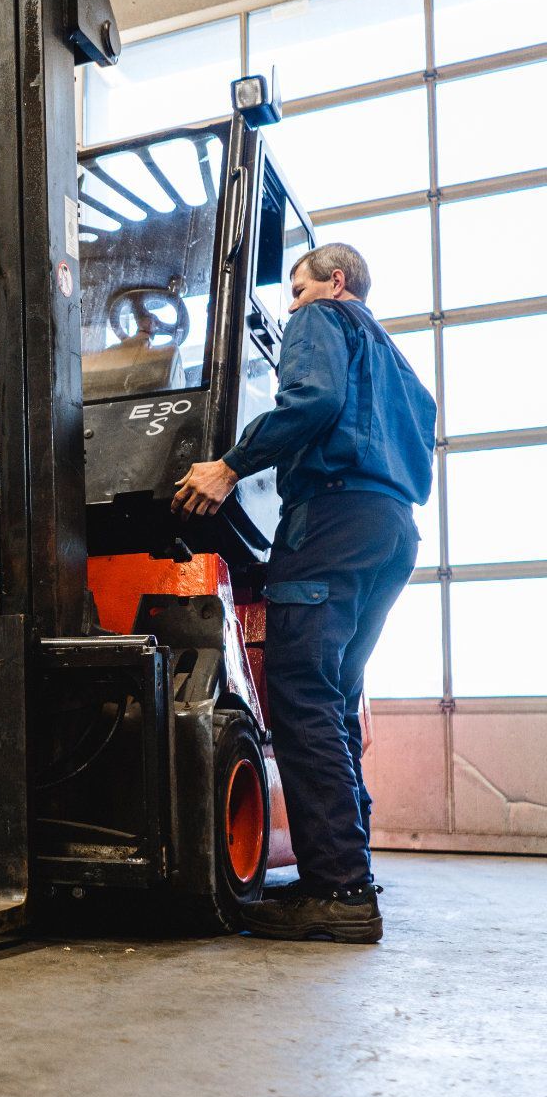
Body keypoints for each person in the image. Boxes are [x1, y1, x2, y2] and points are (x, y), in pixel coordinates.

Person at [171, 243, 436, 943]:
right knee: (336, 700)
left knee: (300, 694)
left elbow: (312, 401)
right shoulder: (403, 368)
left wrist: (230, 466)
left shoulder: (324, 322)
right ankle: (349, 871)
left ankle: (338, 891)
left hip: (333, 521)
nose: (290, 305)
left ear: (335, 282)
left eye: (297, 289)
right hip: (392, 533)